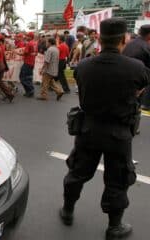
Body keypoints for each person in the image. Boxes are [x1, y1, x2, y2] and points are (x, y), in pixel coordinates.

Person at [60, 18, 149, 240]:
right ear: (123, 39)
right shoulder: (136, 67)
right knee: (118, 179)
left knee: (77, 172)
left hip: (88, 130)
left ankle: (68, 211)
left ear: (99, 38)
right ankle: (114, 226)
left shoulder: (83, 66)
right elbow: (141, 86)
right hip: (119, 134)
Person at [123, 24, 150, 111]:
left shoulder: (128, 44)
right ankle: (146, 104)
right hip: (138, 85)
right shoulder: (146, 47)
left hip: (123, 82)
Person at [18, 32, 37, 97]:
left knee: (22, 77)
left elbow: (25, 53)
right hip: (32, 63)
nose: (26, 37)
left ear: (30, 37)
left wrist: (16, 53)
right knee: (29, 77)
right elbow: (36, 53)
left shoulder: (29, 43)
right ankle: (29, 91)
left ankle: (30, 90)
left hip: (27, 63)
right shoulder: (35, 43)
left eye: (27, 36)